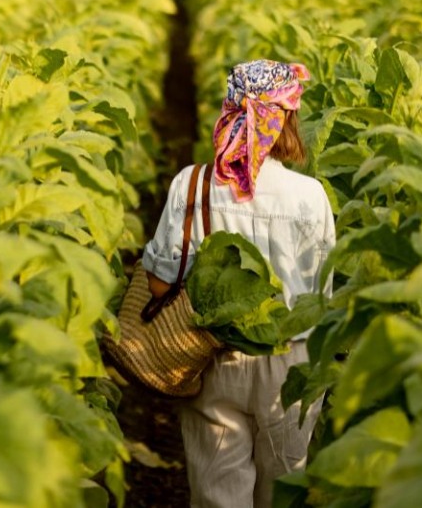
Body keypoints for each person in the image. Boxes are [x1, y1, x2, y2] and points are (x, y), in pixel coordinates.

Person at [142, 59, 335, 508]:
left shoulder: (191, 184)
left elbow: (158, 286)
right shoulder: (311, 196)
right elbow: (321, 295)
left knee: (218, 494)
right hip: (291, 361)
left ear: (230, 112)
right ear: (286, 119)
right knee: (285, 490)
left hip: (213, 356)